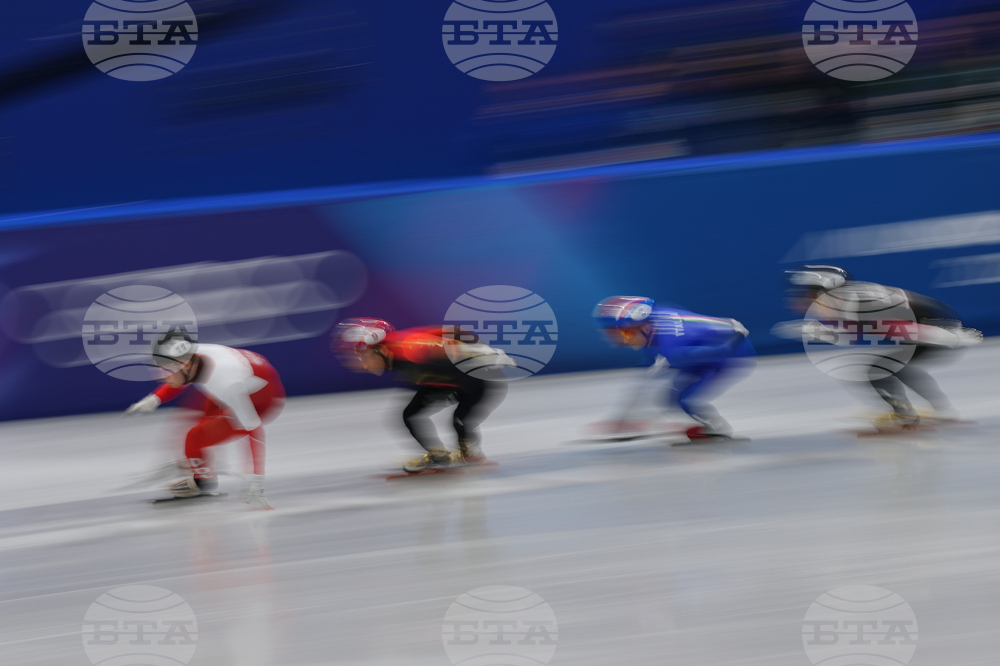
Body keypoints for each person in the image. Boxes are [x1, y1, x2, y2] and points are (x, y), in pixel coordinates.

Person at [780, 265, 982, 428]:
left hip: (937, 330)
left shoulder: (859, 303)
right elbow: (851, 333)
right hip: (935, 327)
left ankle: (908, 416)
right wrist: (813, 330)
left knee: (878, 370)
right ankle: (938, 412)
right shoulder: (848, 299)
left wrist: (948, 336)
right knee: (896, 369)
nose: (808, 302)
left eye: (810, 296)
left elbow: (898, 327)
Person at [122, 330, 285, 507]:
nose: (162, 376)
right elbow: (180, 379)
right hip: (249, 378)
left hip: (260, 401)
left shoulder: (226, 384)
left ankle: (202, 482)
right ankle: (204, 461)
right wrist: (154, 399)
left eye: (165, 369)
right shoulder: (194, 357)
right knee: (188, 419)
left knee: (194, 438)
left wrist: (257, 480)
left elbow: (254, 430)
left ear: (185, 365)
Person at [333, 318, 512, 472]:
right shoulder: (399, 353)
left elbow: (454, 336)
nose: (364, 365)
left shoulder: (412, 350)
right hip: (448, 382)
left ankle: (471, 455)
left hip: (481, 380)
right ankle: (439, 455)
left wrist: (482, 352)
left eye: (365, 357)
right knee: (409, 415)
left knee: (459, 420)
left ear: (381, 349)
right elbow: (451, 331)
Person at [593, 296, 755, 440]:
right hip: (700, 346)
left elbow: (725, 351)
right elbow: (646, 377)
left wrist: (739, 332)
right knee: (665, 393)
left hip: (728, 356)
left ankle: (716, 428)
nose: (624, 341)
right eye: (615, 333)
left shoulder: (675, 351)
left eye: (626, 334)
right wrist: (625, 419)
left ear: (646, 328)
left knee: (683, 400)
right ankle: (632, 421)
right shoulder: (654, 317)